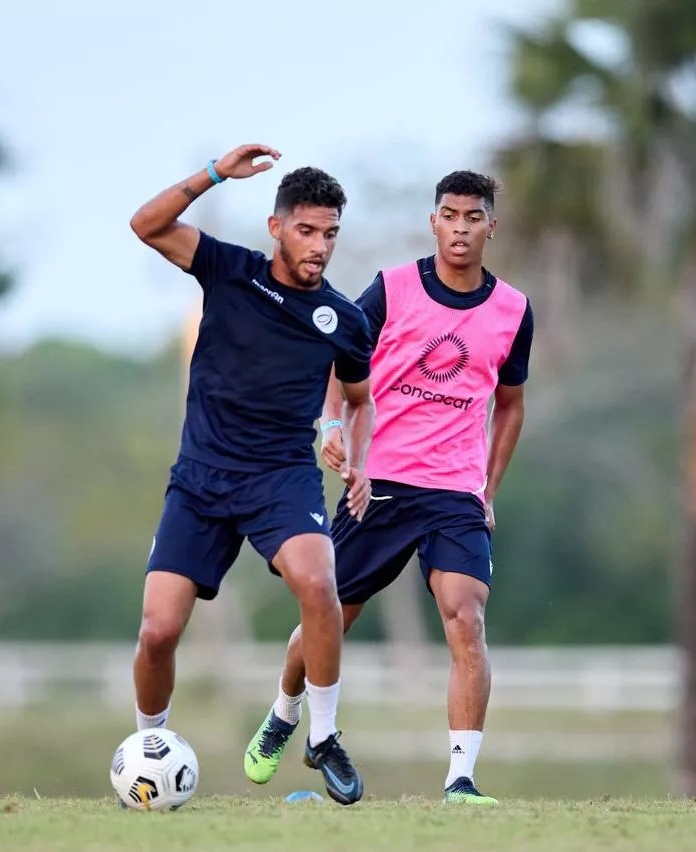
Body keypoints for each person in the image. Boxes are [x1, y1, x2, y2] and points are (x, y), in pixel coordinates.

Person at [243, 170, 533, 805]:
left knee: (467, 619)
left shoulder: (513, 310)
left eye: (473, 217)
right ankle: (285, 714)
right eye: (449, 215)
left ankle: (461, 779)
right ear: (434, 222)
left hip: (455, 493)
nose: (461, 228)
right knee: (327, 617)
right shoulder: (394, 288)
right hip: (379, 485)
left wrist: (487, 489)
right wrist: (331, 428)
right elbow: (338, 360)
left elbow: (510, 406)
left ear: (491, 225)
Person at [129, 144, 376, 806]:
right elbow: (145, 225)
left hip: (281, 478)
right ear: (276, 228)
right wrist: (212, 175)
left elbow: (358, 398)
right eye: (306, 230)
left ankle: (320, 736)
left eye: (330, 233)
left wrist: (351, 449)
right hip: (202, 478)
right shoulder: (229, 270)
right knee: (158, 632)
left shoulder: (343, 319)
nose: (319, 245)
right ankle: (147, 748)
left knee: (320, 583)